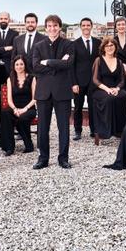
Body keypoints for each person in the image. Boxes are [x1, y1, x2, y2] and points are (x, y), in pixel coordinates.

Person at [31, 14, 74, 170]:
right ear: (46, 27)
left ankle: (63, 158)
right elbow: (35, 67)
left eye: (55, 26)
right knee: (43, 128)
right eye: (49, 26)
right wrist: (58, 64)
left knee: (64, 127)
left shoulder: (68, 45)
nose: (52, 28)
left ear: (59, 27)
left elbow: (68, 64)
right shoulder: (38, 46)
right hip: (43, 92)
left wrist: (48, 62)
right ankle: (43, 158)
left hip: (62, 91)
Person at [90, 36, 126, 141]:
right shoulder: (98, 60)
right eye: (107, 46)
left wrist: (117, 89)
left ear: (115, 47)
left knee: (125, 96)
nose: (109, 47)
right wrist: (107, 89)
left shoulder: (119, 61)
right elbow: (95, 80)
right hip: (100, 89)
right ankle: (104, 131)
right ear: (103, 48)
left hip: (115, 88)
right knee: (109, 99)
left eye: (111, 45)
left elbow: (122, 80)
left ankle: (120, 130)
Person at [71, 17, 100, 140]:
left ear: (91, 26)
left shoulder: (98, 43)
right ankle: (78, 130)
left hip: (94, 81)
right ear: (81, 27)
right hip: (79, 81)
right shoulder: (74, 44)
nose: (86, 27)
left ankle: (94, 130)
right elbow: (71, 65)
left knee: (94, 107)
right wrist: (74, 83)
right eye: (84, 25)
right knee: (78, 107)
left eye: (88, 25)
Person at [0, 55, 36, 155]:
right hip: (14, 107)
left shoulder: (32, 78)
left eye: (21, 64)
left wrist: (25, 109)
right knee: (5, 113)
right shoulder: (10, 79)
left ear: (25, 65)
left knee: (22, 118)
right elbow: (9, 99)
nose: (19, 66)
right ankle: (9, 147)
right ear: (14, 66)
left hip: (29, 108)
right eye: (17, 64)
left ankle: (29, 144)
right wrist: (15, 109)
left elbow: (35, 98)